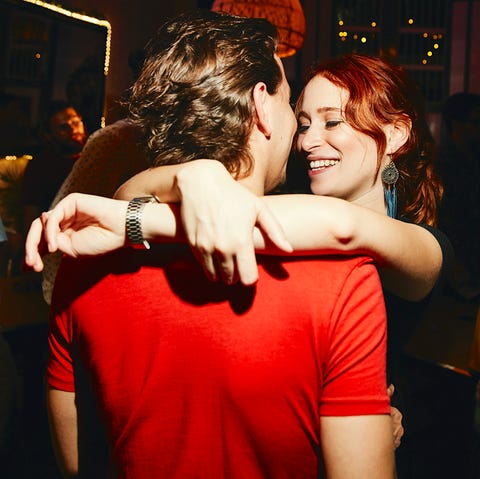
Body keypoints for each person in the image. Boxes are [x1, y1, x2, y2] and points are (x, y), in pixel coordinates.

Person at [33, 12, 394, 478]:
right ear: (262, 105)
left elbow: (80, 464)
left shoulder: (84, 269)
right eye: (291, 106)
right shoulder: (343, 281)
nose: (301, 137)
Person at [40, 118, 149, 304]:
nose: (73, 129)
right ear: (50, 135)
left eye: (76, 122)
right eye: (64, 126)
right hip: (83, 277)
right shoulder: (111, 141)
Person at [437, 92, 480, 299]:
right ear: (455, 124)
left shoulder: (473, 160)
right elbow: (443, 223)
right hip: (454, 278)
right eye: (475, 122)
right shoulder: (441, 166)